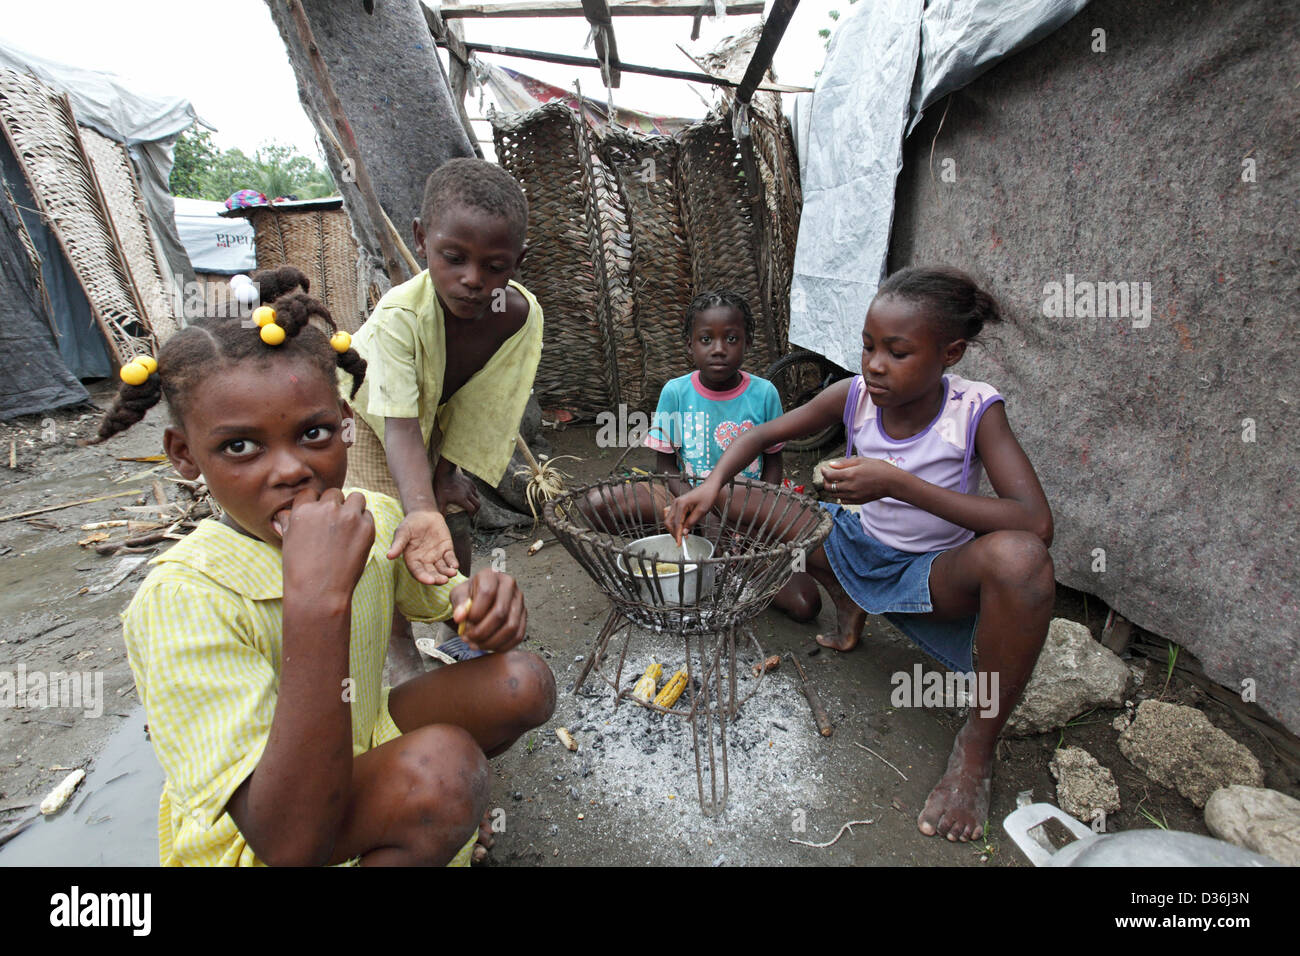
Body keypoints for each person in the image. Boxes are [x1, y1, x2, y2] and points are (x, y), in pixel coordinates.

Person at [95, 267, 555, 866]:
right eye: (240, 446)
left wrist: (487, 606)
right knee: (443, 773)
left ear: (343, 423)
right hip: (264, 833)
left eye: (313, 432)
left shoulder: (374, 519)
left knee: (523, 683)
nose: (290, 470)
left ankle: (402, 816)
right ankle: (416, 813)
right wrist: (317, 601)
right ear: (185, 455)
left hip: (359, 737)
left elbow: (453, 600)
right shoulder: (183, 600)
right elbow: (286, 843)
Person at [666, 267, 1055, 843]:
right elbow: (758, 437)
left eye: (897, 352)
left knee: (1021, 561)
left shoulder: (974, 409)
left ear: (950, 353)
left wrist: (897, 484)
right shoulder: (854, 395)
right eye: (868, 346)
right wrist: (712, 483)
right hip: (854, 546)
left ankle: (976, 748)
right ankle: (848, 601)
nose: (874, 365)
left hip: (932, 574)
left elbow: (1035, 522)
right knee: (741, 498)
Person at [345, 157, 542, 665]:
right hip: (367, 420)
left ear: (518, 261)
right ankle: (401, 652)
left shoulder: (517, 318)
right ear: (420, 239)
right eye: (453, 258)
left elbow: (482, 408)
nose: (473, 280)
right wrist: (418, 506)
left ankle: (461, 630)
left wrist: (446, 474)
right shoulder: (399, 317)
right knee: (387, 529)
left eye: (494, 267)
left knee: (448, 516)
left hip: (427, 421)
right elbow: (399, 425)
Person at [592, 290, 819, 620]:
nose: (718, 349)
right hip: (687, 502)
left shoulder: (764, 394)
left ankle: (736, 558)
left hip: (746, 516)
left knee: (805, 604)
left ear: (748, 342)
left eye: (731, 338)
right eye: (706, 339)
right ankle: (679, 538)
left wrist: (754, 524)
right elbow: (666, 466)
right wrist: (702, 515)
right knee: (597, 504)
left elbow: (773, 463)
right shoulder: (676, 393)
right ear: (689, 345)